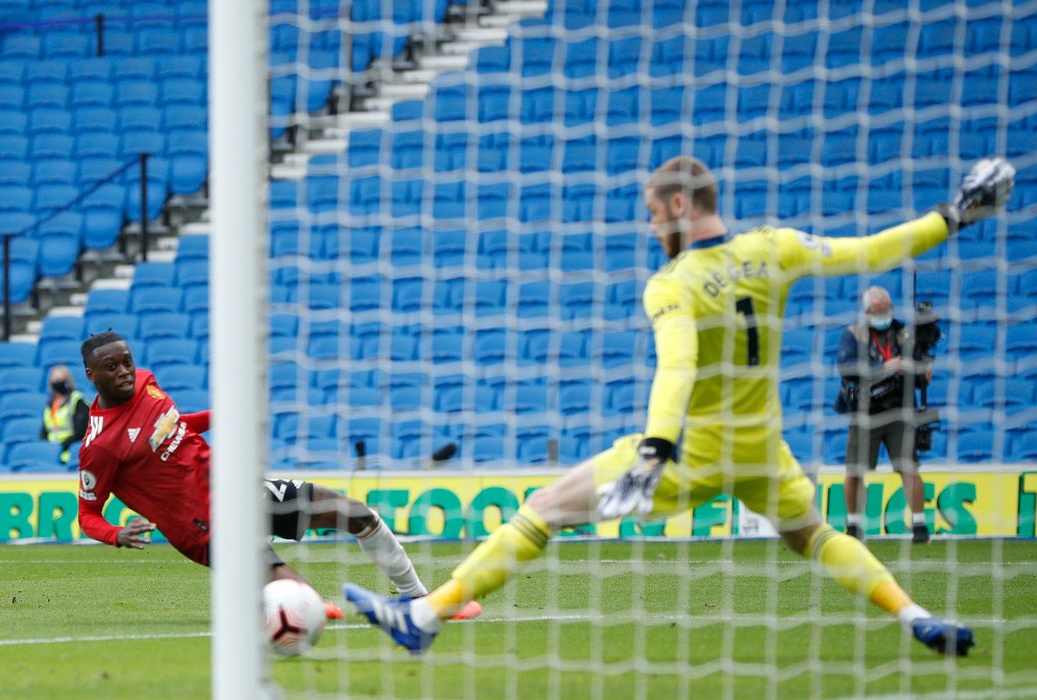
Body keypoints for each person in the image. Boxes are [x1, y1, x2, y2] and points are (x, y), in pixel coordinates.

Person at [347, 155, 1016, 657]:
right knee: (814, 535)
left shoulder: (675, 282)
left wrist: (654, 448)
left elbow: (679, 366)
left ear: (675, 204)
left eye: (649, 213)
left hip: (692, 449)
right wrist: (952, 216)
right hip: (762, 445)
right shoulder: (773, 247)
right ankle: (914, 613)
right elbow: (870, 252)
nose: (648, 226)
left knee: (543, 509)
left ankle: (423, 617)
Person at [75, 330, 480, 619]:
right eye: (112, 367)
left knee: (357, 513)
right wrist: (115, 533)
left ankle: (419, 599)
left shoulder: (147, 382)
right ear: (92, 376)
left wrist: (220, 416)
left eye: (127, 361)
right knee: (307, 608)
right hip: (202, 527)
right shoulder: (101, 446)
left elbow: (174, 425)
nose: (125, 372)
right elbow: (87, 515)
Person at [836, 286, 932, 543]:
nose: (883, 314)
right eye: (878, 311)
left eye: (886, 309)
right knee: (854, 470)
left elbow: (921, 375)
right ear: (867, 312)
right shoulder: (853, 334)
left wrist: (919, 370)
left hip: (898, 410)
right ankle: (854, 526)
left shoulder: (903, 333)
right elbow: (846, 368)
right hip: (864, 410)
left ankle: (920, 525)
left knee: (908, 467)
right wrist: (884, 368)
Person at [42, 364, 90, 465]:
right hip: (51, 453)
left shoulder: (77, 400)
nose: (57, 382)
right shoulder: (50, 404)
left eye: (61, 379)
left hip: (71, 452)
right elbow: (44, 432)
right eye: (55, 379)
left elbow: (81, 431)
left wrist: (62, 445)